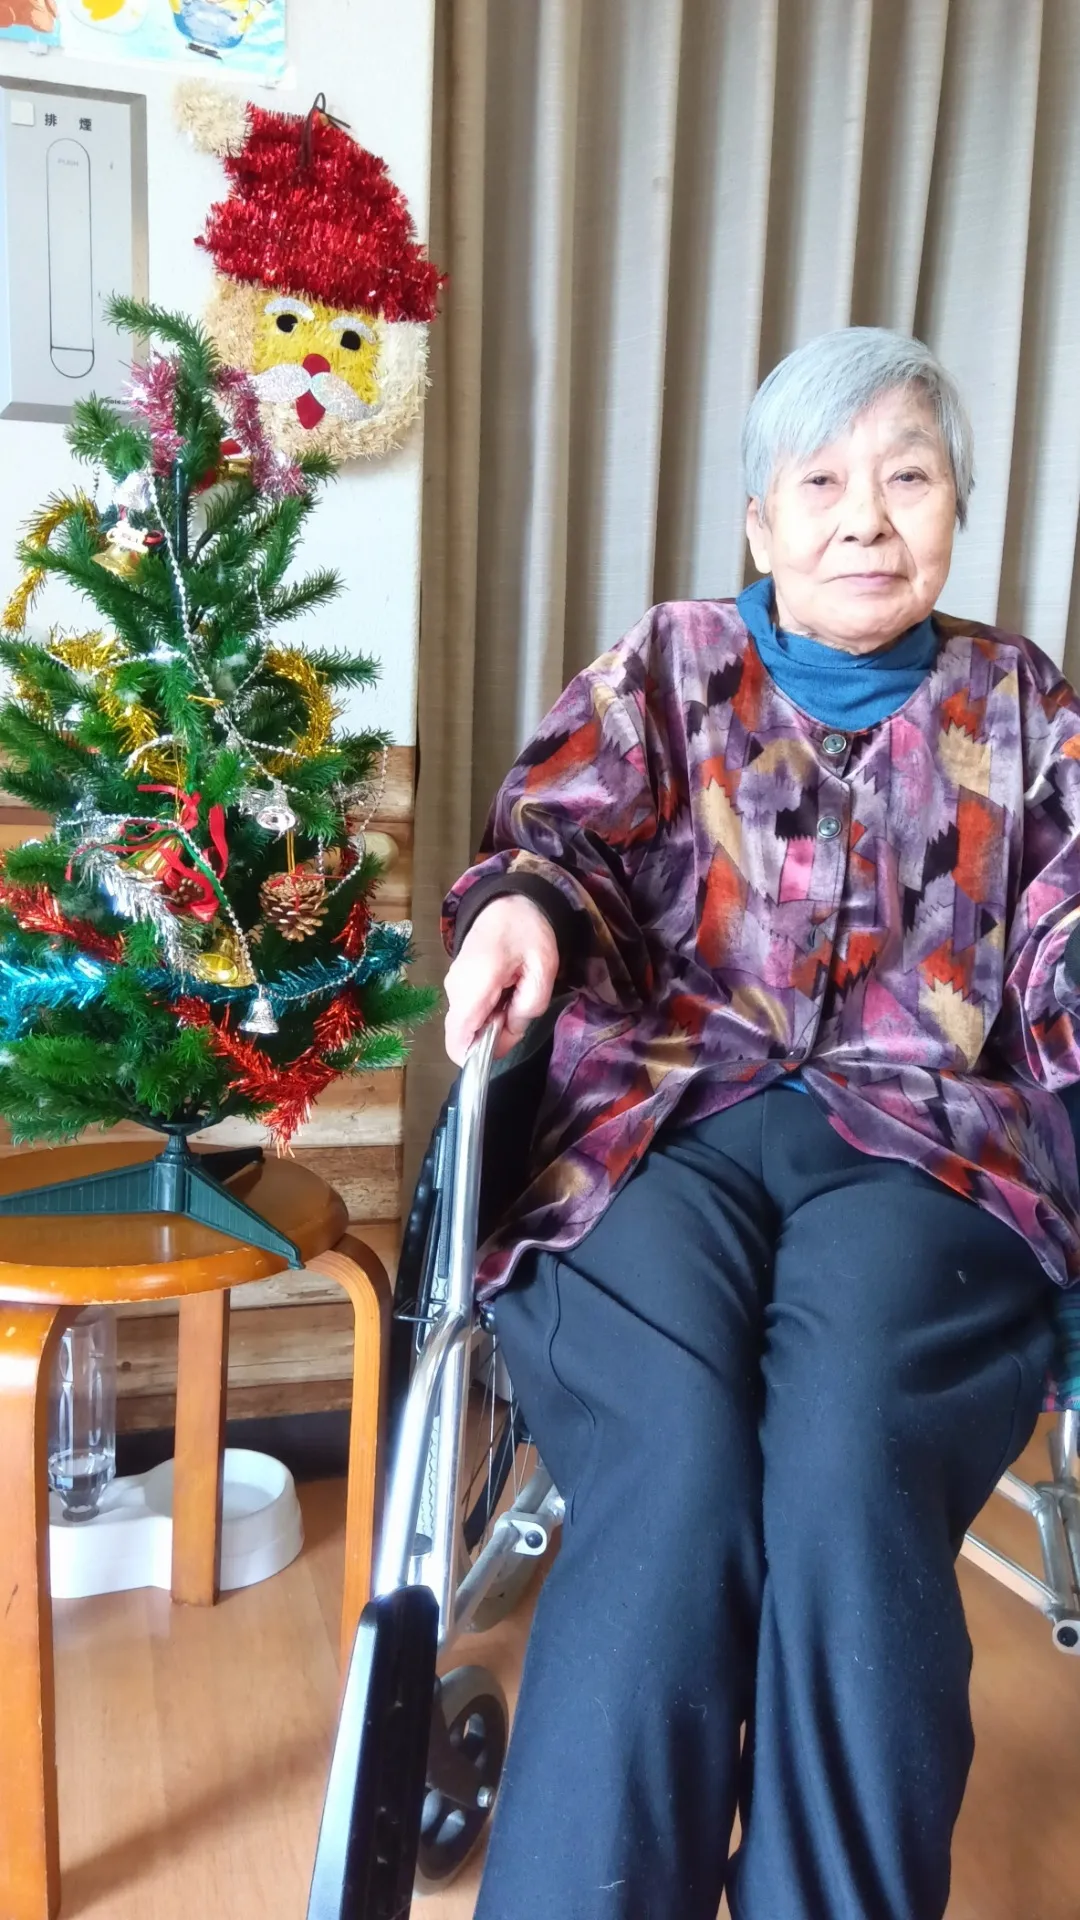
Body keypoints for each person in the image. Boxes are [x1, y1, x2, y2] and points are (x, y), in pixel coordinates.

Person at [441, 327, 1080, 1920]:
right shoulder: (667, 668)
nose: (866, 518)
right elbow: (559, 845)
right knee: (674, 1460)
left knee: (851, 1467)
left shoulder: (1022, 705)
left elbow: (1064, 931)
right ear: (760, 522)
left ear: (958, 509)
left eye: (909, 478)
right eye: (822, 483)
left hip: (926, 1149)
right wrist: (520, 909)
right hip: (656, 1127)